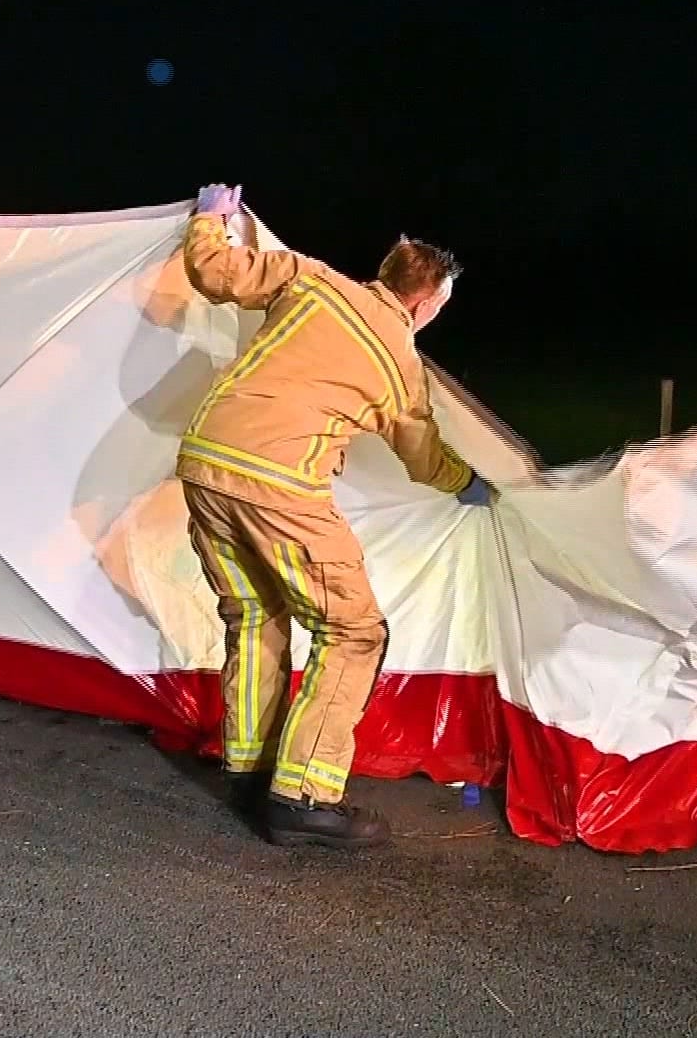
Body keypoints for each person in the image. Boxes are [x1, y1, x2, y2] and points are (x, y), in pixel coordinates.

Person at [175, 182, 495, 849]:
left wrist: (211, 218)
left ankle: (248, 770)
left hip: (204, 465)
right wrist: (471, 484)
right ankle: (303, 797)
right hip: (280, 486)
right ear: (427, 300)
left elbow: (215, 271)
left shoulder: (312, 280)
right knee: (353, 632)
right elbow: (422, 456)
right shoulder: (398, 364)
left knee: (256, 613)